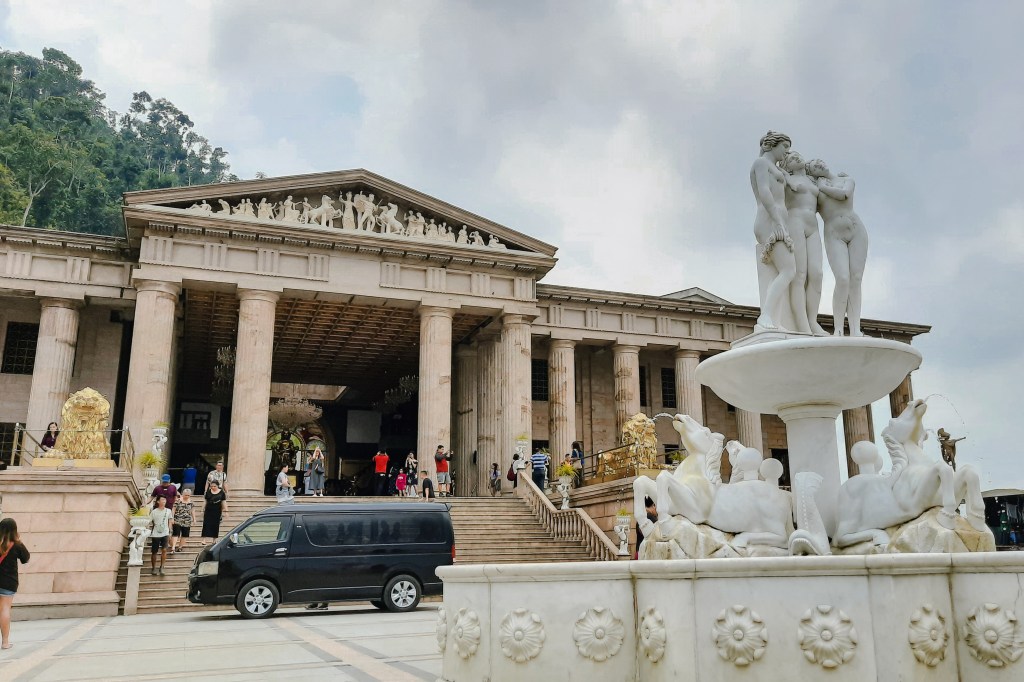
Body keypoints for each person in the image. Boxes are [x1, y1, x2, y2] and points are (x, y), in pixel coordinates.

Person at [805, 158, 869, 337]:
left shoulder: (846, 181)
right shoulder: (815, 192)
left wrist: (822, 187)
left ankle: (855, 328)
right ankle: (839, 328)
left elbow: (844, 195)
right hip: (834, 234)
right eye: (814, 166)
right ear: (812, 173)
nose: (819, 165)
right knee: (842, 278)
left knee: (856, 279)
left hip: (856, 230)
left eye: (819, 162)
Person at [750, 130, 798, 332]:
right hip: (770, 219)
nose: (787, 152)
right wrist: (778, 221)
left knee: (776, 272)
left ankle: (774, 321)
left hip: (776, 220)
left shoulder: (775, 168)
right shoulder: (761, 163)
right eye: (784, 147)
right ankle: (766, 316)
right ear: (772, 145)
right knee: (789, 270)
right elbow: (765, 192)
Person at [782, 150, 829, 336]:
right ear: (786, 166)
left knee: (817, 274)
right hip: (795, 221)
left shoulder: (814, 181)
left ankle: (812, 320)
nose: (797, 158)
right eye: (791, 158)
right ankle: (802, 323)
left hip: (813, 226)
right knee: (800, 275)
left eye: (798, 156)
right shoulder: (785, 177)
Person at [0, 517, 30, 650]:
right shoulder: (17, 545)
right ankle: (5, 642)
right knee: (4, 609)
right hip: (8, 583)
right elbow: (26, 559)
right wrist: (19, 540)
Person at [149, 496, 173, 576]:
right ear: (158, 501)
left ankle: (162, 566)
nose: (164, 501)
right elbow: (149, 521)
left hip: (165, 533)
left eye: (165, 499)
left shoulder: (168, 511)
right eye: (162, 499)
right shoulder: (154, 512)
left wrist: (170, 531)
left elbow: (170, 521)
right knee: (154, 552)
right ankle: (153, 567)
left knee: (164, 550)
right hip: (156, 533)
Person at [171, 489, 195, 554]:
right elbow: (173, 509)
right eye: (185, 495)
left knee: (185, 534)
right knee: (176, 533)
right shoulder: (178, 501)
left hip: (187, 520)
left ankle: (180, 547)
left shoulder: (191, 502)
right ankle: (173, 547)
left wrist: (194, 519)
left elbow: (192, 510)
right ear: (183, 494)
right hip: (177, 519)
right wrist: (172, 518)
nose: (187, 496)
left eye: (188, 495)